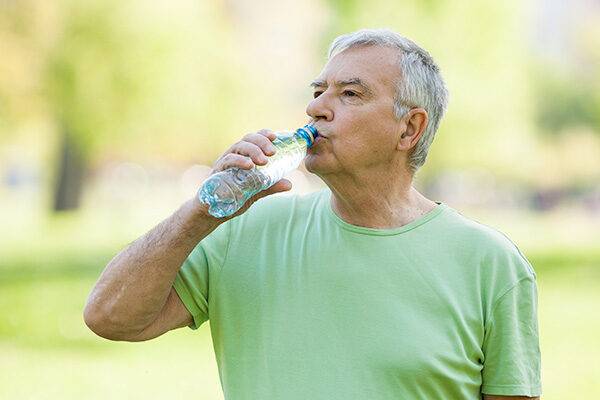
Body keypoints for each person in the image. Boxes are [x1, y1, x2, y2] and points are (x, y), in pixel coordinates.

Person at [84, 28, 542, 399]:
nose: (316, 108)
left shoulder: (490, 263)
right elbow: (109, 317)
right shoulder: (245, 230)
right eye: (319, 89)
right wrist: (201, 211)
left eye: (350, 94)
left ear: (409, 128)